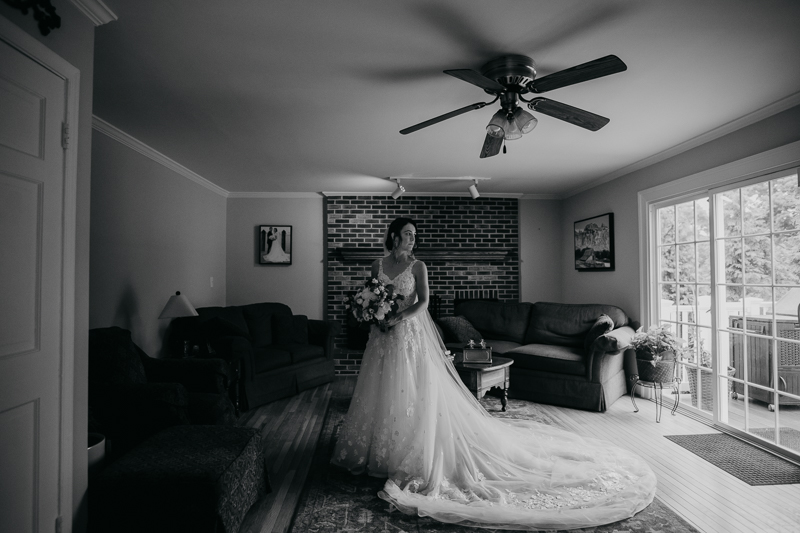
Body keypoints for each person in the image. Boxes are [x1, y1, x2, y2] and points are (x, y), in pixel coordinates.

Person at [331, 217, 657, 531]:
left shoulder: (418, 266)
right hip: (382, 339)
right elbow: (372, 295)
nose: (412, 239)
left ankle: (408, 446)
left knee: (410, 390)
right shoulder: (377, 264)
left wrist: (398, 318)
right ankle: (378, 446)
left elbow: (424, 302)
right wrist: (374, 314)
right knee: (382, 388)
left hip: (407, 334)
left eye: (415, 235)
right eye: (406, 234)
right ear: (393, 236)